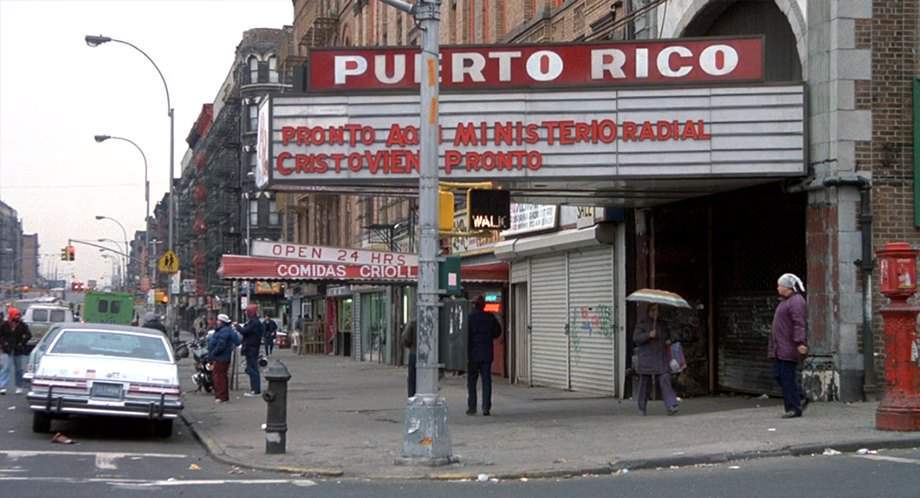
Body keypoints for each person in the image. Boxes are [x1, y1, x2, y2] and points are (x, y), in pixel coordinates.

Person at [769, 273, 809, 419]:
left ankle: (794, 408)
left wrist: (800, 342)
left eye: (780, 285)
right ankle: (800, 397)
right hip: (781, 347)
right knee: (779, 376)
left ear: (788, 287)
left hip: (789, 346)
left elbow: (799, 324)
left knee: (787, 378)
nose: (778, 288)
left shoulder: (796, 302)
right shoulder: (786, 301)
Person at [633, 303, 679, 416]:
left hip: (660, 357)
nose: (655, 313)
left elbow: (668, 336)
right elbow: (636, 338)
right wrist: (648, 335)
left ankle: (671, 405)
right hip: (647, 358)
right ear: (648, 311)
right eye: (653, 310)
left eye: (657, 310)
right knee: (645, 384)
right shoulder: (642, 323)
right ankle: (642, 408)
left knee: (665, 379)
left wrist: (668, 340)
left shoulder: (662, 324)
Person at [466, 295, 502, 416]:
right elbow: (497, 332)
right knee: (486, 381)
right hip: (486, 353)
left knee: (472, 381)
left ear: (474, 305)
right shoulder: (490, 317)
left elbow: (465, 335)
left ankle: (472, 407)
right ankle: (486, 407)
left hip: (473, 354)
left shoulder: (470, 318)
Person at [207, 314, 240, 403]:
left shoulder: (224, 331)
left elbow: (221, 345)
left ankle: (221, 396)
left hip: (220, 358)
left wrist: (213, 353)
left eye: (218, 320)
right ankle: (223, 396)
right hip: (223, 357)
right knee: (222, 376)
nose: (217, 322)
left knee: (219, 377)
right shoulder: (226, 330)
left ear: (222, 322)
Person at [0, 307, 32, 395]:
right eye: (15, 316)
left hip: (18, 349)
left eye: (18, 316)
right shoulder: (4, 325)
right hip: (7, 349)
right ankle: (2, 386)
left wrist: (22, 342)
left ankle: (19, 386)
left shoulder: (22, 325)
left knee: (19, 369)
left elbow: (28, 335)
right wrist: (3, 344)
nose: (17, 318)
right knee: (6, 368)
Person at [236, 304, 264, 396]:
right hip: (252, 347)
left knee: (252, 369)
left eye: (247, 311)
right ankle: (255, 389)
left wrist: (237, 326)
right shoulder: (254, 322)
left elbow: (244, 331)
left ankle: (255, 389)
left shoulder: (254, 322)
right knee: (252, 368)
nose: (246, 313)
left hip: (251, 348)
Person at [401, 319, 417, 398]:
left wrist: (409, 345)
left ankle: (412, 397)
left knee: (412, 378)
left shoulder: (413, 322)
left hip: (414, 353)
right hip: (428, 355)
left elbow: (405, 337)